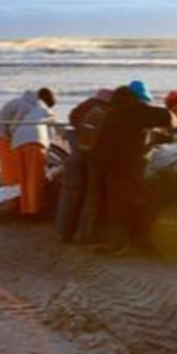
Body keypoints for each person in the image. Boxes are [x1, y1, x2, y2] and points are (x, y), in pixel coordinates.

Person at [93, 83, 177, 255]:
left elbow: (135, 132)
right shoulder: (136, 110)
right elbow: (168, 117)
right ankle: (125, 244)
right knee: (130, 202)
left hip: (108, 163)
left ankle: (116, 242)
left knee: (114, 204)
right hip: (127, 165)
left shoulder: (113, 111)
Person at [56, 88, 114, 243]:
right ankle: (83, 236)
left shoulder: (82, 111)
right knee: (89, 199)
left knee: (70, 199)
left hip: (74, 159)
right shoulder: (102, 113)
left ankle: (64, 232)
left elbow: (74, 123)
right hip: (88, 162)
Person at [10, 88, 58, 216]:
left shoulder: (30, 110)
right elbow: (52, 135)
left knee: (24, 179)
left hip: (17, 142)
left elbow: (14, 126)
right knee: (34, 179)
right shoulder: (48, 112)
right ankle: (34, 211)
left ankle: (25, 209)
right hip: (34, 142)